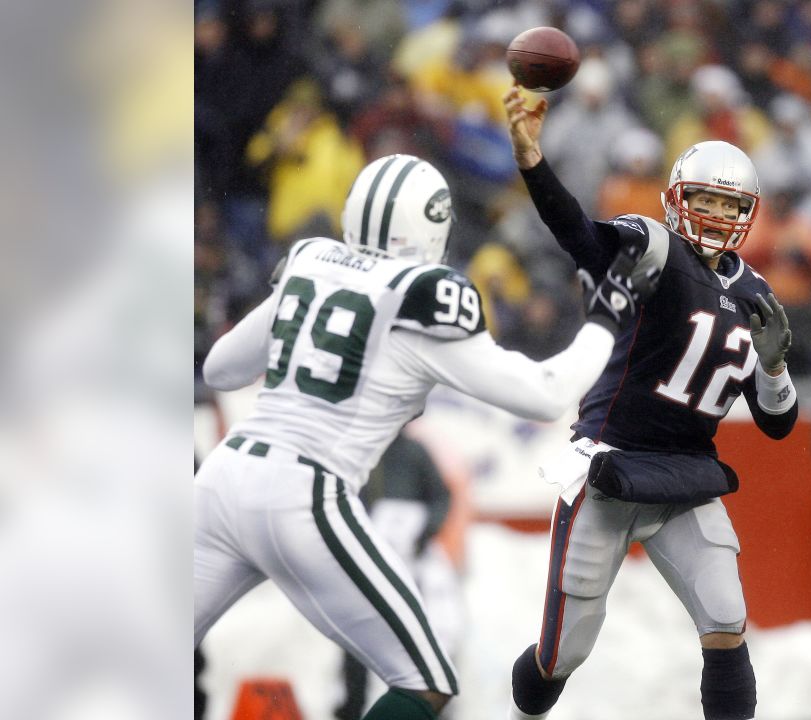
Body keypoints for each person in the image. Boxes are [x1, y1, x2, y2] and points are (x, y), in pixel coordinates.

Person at [195, 154, 652, 720]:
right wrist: (607, 318)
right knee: (425, 681)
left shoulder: (310, 263)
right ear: (432, 225)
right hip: (301, 489)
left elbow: (219, 369)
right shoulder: (419, 298)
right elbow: (546, 392)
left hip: (220, 476)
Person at [502, 85, 799, 720]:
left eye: (730, 203)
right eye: (707, 199)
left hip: (685, 475)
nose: (717, 214)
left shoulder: (755, 293)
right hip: (609, 465)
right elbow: (578, 233)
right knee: (564, 653)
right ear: (676, 200)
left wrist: (773, 365)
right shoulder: (655, 248)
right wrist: (534, 162)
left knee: (726, 617)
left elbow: (778, 423)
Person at [335, 432, 459, 720]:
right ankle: (352, 707)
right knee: (359, 638)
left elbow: (442, 496)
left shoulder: (416, 452)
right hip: (369, 562)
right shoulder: (361, 452)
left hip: (413, 567)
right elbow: (343, 499)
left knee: (422, 639)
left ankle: (429, 709)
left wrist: (422, 530)